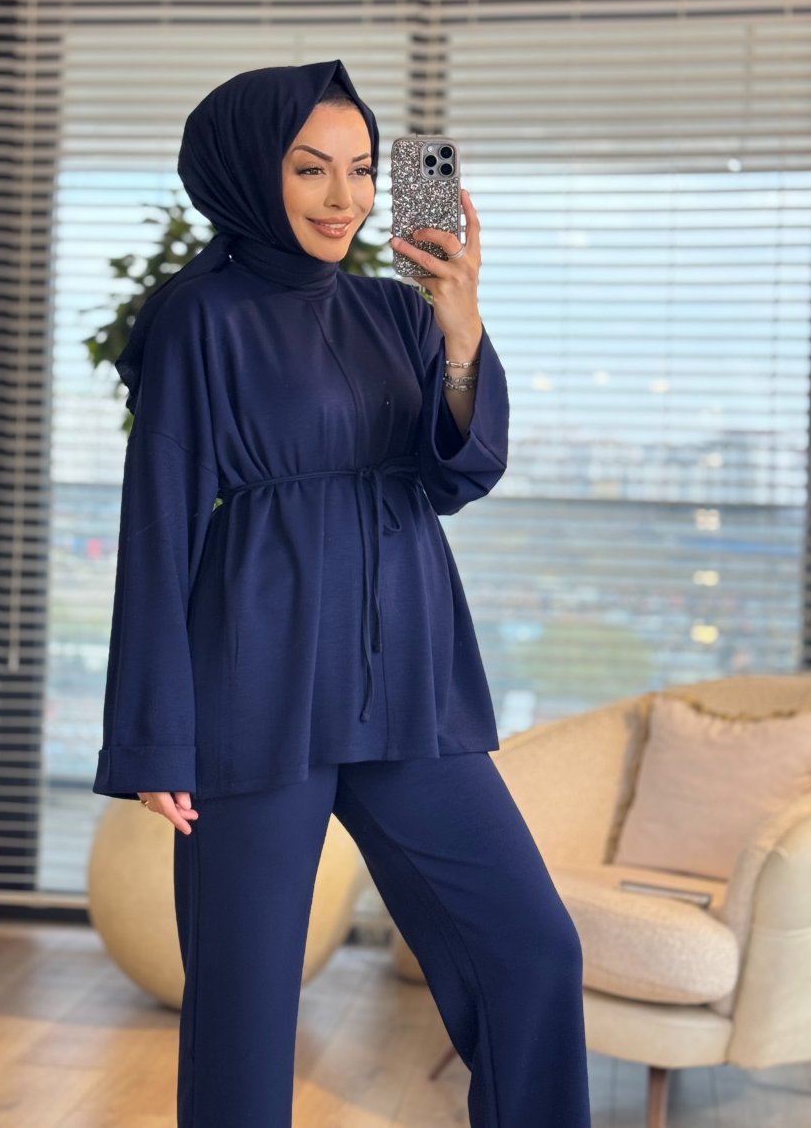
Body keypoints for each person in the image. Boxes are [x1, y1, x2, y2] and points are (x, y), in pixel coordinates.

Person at [92, 59, 592, 1127]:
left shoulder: (399, 312)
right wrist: (154, 738)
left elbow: (457, 475)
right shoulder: (198, 318)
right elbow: (161, 525)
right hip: (255, 688)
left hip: (407, 681)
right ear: (248, 170)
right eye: (310, 167)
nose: (345, 197)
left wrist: (460, 327)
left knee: (532, 947)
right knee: (244, 1007)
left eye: (363, 169)